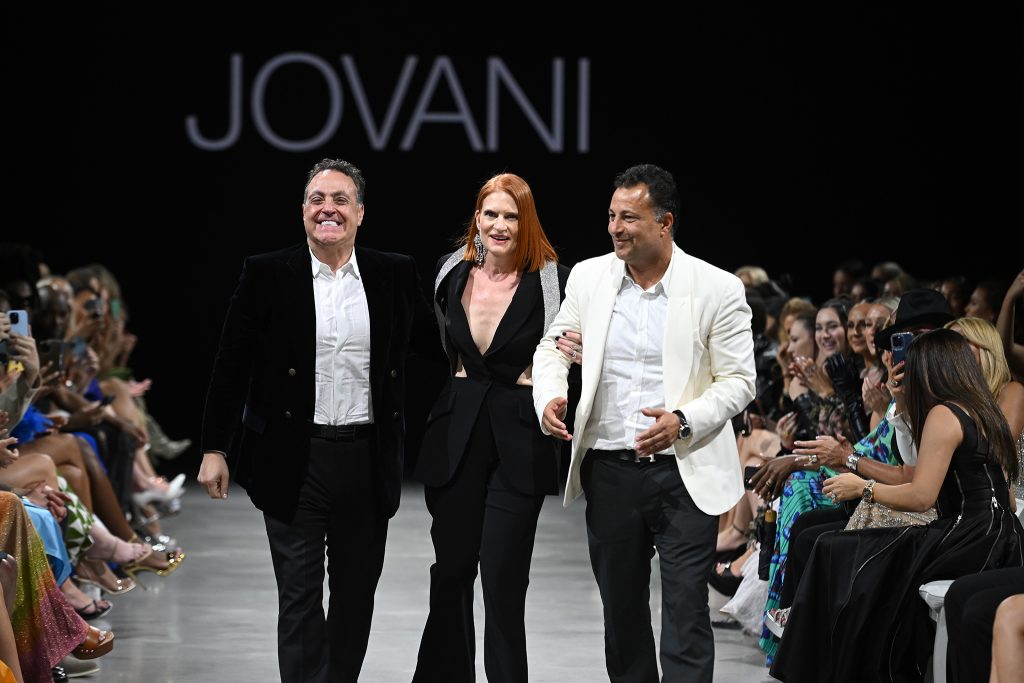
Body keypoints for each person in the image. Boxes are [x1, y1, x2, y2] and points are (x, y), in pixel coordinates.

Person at [198, 158, 422, 683]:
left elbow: (434, 349)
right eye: (318, 199)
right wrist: (215, 446)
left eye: (341, 200)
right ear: (303, 211)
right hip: (293, 458)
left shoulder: (392, 273)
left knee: (354, 597)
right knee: (298, 598)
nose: (328, 209)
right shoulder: (268, 273)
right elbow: (232, 364)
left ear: (360, 213)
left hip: (366, 460)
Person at [532, 163, 756, 682]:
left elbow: (740, 381)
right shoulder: (590, 277)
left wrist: (682, 419)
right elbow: (553, 346)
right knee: (622, 615)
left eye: (629, 217)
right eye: (611, 216)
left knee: (685, 614)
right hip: (610, 470)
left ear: (665, 222)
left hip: (684, 471)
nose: (615, 227)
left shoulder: (716, 288)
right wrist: (549, 395)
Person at [770, 329, 1024, 682]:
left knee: (844, 552)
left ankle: (829, 663)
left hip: (970, 537)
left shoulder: (944, 415)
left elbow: (922, 495)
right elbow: (1007, 497)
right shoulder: (986, 411)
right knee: (844, 548)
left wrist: (864, 488)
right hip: (1005, 534)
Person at [412, 173, 572, 683]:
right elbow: (441, 346)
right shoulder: (449, 274)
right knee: (452, 573)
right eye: (491, 214)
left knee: (503, 582)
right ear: (476, 219)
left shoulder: (553, 280)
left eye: (511, 215)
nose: (500, 225)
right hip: (456, 433)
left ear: (527, 222)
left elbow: (573, 350)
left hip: (518, 439)